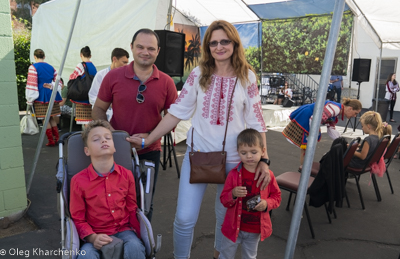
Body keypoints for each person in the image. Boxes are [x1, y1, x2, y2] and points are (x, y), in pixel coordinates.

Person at [126, 20, 271, 259]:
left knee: (225, 216)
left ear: (234, 43)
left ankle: (220, 254)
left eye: (224, 41)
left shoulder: (248, 77)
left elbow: (256, 121)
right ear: (207, 47)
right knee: (184, 218)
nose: (219, 47)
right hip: (200, 155)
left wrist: (264, 158)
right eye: (213, 42)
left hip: (236, 161)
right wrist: (148, 139)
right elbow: (177, 111)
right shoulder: (199, 73)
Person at [92, 29, 178, 221]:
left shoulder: (166, 82)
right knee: (112, 201)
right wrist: (115, 136)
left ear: (158, 51)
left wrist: (149, 138)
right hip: (115, 151)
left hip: (150, 152)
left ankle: (143, 247)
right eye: (140, 47)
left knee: (144, 203)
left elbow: (172, 118)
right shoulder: (113, 77)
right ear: (131, 47)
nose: (145, 52)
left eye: (150, 48)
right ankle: (116, 244)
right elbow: (98, 109)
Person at [69, 120, 145, 259]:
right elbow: (78, 218)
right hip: (95, 233)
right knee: (86, 256)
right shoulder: (78, 181)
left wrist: (140, 235)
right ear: (87, 150)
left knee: (135, 247)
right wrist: (92, 237)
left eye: (108, 138)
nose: (103, 140)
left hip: (124, 230)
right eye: (96, 139)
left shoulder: (126, 175)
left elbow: (131, 208)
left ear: (114, 147)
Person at [219, 129, 281, 259]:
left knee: (250, 257)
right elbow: (224, 200)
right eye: (244, 153)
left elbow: (277, 197)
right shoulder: (233, 175)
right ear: (238, 153)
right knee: (225, 256)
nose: (249, 156)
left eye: (254, 152)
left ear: (263, 151)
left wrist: (266, 204)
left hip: (254, 230)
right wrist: (233, 194)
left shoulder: (268, 176)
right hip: (233, 227)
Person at [282, 98, 362, 165]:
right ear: (350, 108)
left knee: (307, 149)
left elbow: (331, 130)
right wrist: (312, 136)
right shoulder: (335, 109)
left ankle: (304, 172)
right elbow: (314, 119)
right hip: (305, 118)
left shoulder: (337, 110)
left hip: (308, 118)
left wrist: (343, 142)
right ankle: (304, 173)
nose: (355, 116)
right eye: (355, 113)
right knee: (306, 149)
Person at [25, 49, 62, 146]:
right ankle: (56, 139)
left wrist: (30, 99)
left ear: (35, 57)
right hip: (51, 94)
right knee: (51, 118)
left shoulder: (33, 67)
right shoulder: (51, 67)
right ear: (44, 57)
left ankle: (51, 140)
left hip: (40, 95)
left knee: (45, 119)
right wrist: (51, 85)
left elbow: (32, 84)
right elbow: (59, 82)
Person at [89, 48, 129, 121]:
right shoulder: (101, 75)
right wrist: (107, 104)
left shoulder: (126, 76)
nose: (126, 65)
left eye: (127, 63)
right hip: (105, 115)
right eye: (124, 62)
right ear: (114, 59)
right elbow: (92, 96)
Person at [69, 46, 97, 125]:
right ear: (90, 56)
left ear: (81, 55)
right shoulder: (93, 66)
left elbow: (73, 77)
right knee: (91, 120)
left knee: (86, 122)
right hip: (91, 95)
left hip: (82, 96)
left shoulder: (81, 65)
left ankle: (87, 136)